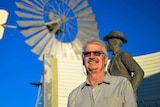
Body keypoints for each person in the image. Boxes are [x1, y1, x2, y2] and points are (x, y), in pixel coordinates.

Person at [67, 39, 137, 107]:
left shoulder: (122, 85)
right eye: (87, 54)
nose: (91, 56)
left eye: (97, 53)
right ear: (83, 60)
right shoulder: (74, 96)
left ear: (105, 59)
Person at [103, 30, 144, 96]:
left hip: (125, 97)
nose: (106, 44)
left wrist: (130, 90)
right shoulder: (113, 59)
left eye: (108, 42)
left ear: (115, 42)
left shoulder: (123, 55)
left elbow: (139, 72)